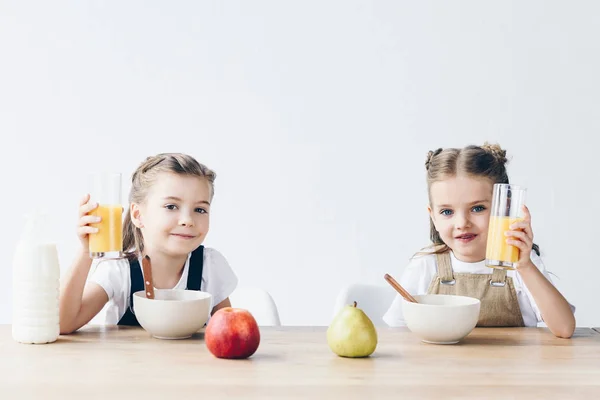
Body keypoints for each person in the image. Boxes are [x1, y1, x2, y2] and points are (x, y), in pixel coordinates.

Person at [383, 143, 575, 338]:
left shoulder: (520, 263)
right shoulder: (425, 265)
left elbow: (565, 328)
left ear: (504, 208)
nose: (462, 223)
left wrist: (525, 266)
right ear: (433, 217)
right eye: (447, 212)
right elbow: (397, 333)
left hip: (512, 368)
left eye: (477, 208)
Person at [59, 153, 237, 333]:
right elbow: (63, 323)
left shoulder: (209, 266)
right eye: (171, 206)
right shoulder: (119, 272)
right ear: (138, 215)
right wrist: (86, 251)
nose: (187, 220)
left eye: (200, 209)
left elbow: (230, 331)